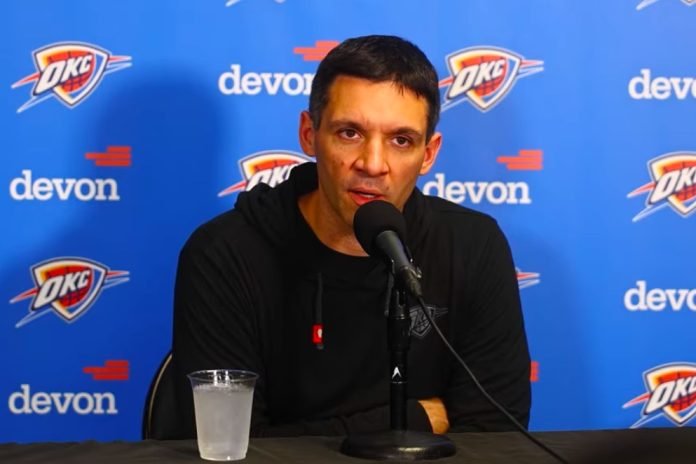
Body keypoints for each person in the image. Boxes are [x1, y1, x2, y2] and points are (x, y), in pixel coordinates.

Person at [168, 35, 530, 438]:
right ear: (309, 134)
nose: (373, 164)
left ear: (428, 154)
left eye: (401, 140)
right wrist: (415, 419)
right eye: (350, 133)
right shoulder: (224, 254)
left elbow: (496, 435)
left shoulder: (473, 246)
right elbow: (227, 444)